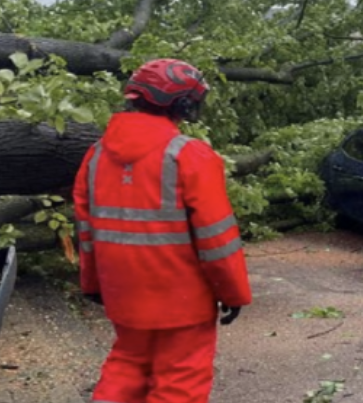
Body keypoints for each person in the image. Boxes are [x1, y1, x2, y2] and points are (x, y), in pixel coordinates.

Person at [73, 58, 252, 403]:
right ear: (184, 104)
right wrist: (234, 293)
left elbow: (87, 235)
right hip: (184, 301)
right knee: (180, 383)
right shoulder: (191, 156)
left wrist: (92, 285)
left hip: (123, 295)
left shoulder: (95, 157)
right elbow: (217, 240)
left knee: (126, 365)